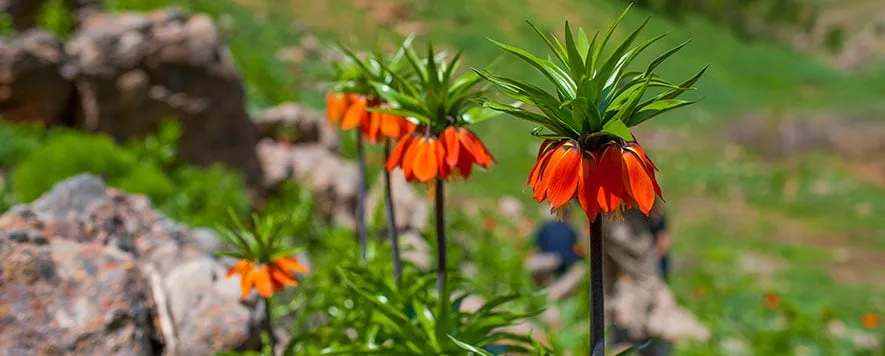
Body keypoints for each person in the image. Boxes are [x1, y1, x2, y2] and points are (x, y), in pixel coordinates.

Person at [533, 205, 583, 276]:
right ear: (568, 215)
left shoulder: (546, 227)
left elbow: (538, 249)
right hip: (566, 260)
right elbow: (578, 249)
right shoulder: (570, 229)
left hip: (549, 258)